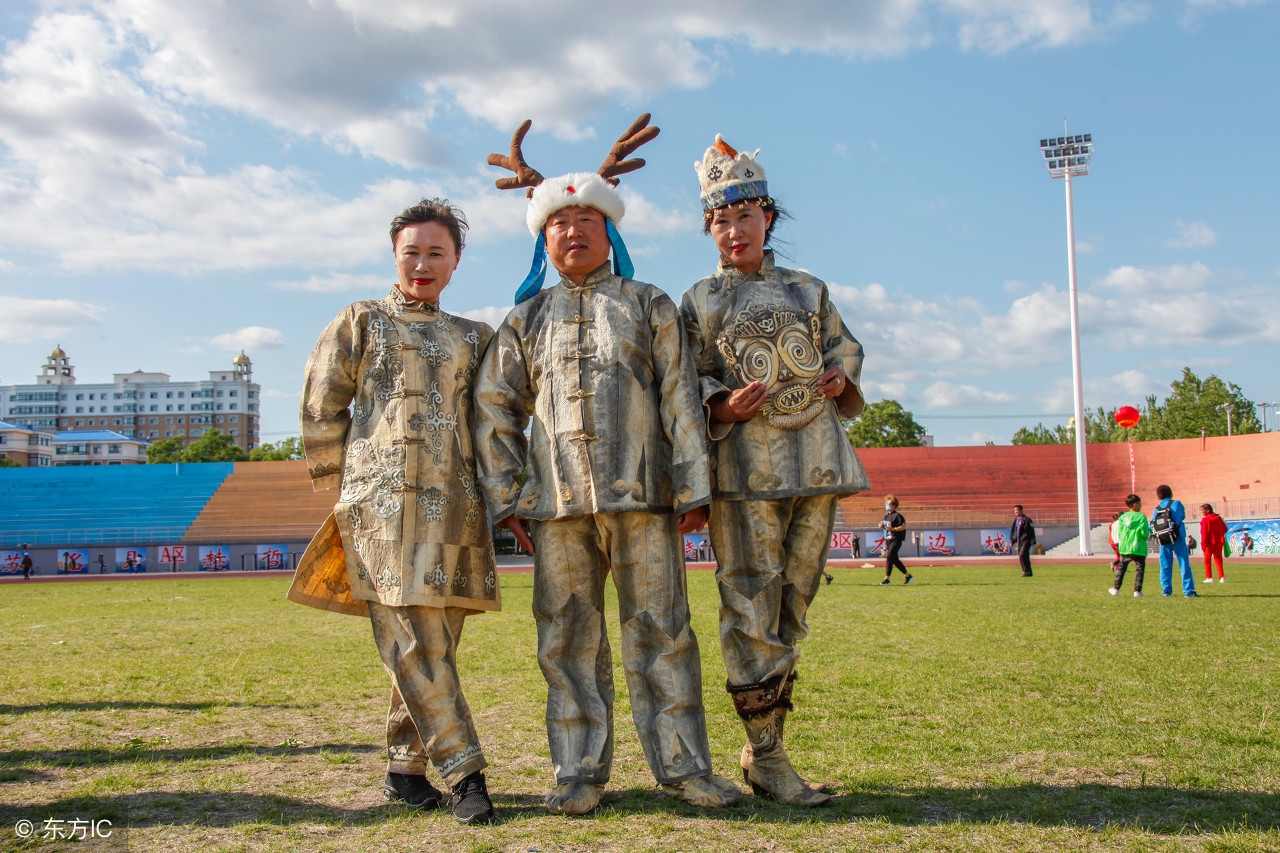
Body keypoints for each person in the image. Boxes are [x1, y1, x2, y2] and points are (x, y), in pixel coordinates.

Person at [474, 116, 743, 816]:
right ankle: (578, 771)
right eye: (559, 223)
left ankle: (685, 768)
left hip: (646, 499)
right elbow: (495, 410)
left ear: (609, 231)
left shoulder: (649, 304)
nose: (572, 232)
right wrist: (509, 498)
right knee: (566, 637)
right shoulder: (524, 321)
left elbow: (682, 398)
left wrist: (693, 485)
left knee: (663, 630)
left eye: (586, 219)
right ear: (543, 237)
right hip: (557, 508)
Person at [680, 134, 869, 806]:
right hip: (745, 477)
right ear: (709, 228)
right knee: (750, 606)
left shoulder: (809, 288)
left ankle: (766, 752)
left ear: (768, 219)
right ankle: (769, 755)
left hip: (815, 465)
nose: (733, 231)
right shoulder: (699, 299)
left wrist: (840, 373)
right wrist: (721, 403)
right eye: (719, 221)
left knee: (793, 605)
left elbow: (845, 348)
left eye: (744, 216)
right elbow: (684, 382)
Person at [296, 198, 498, 825]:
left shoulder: (475, 336)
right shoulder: (361, 321)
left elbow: (494, 420)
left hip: (455, 512)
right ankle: (466, 773)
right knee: (413, 642)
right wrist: (341, 487)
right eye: (411, 251)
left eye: (437, 252)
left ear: (456, 261)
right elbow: (321, 403)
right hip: (379, 512)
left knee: (433, 643)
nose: (422, 263)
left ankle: (405, 771)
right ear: (394, 254)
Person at [1151, 484, 1197, 598]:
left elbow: (1151, 524)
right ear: (1171, 494)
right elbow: (1181, 517)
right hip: (1177, 538)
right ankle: (1188, 590)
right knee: (1184, 564)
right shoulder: (1176, 503)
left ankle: (1166, 590)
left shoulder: (1157, 509)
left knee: (1165, 565)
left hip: (1163, 539)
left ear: (1158, 496)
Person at [1110, 494, 1149, 597]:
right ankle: (1137, 591)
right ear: (1135, 504)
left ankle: (1116, 589)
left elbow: (1120, 532)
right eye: (1140, 503)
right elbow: (1145, 533)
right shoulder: (1142, 517)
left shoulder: (1122, 517)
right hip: (1139, 547)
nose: (1141, 506)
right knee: (1140, 569)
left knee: (1121, 569)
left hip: (1126, 547)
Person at [880, 496, 912, 585]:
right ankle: (908, 575)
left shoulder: (898, 516)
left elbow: (903, 526)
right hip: (889, 539)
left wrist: (894, 529)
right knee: (894, 559)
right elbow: (886, 526)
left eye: (889, 504)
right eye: (886, 503)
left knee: (889, 556)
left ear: (894, 505)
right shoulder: (887, 516)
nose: (887, 505)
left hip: (896, 539)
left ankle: (887, 579)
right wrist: (881, 525)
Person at [1200, 503, 1228, 583]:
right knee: (1218, 560)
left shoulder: (1205, 520)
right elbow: (1225, 529)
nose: (1202, 512)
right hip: (1218, 542)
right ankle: (1222, 577)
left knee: (1207, 561)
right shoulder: (1218, 518)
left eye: (1202, 510)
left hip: (1209, 543)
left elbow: (1204, 533)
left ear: (1207, 510)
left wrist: (1203, 544)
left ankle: (1209, 577)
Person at [1010, 505, 1037, 577]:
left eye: (1017, 510)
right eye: (1015, 510)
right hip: (1019, 541)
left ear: (1021, 510)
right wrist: (1012, 540)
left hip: (1026, 540)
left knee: (1022, 555)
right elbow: (1013, 531)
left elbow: (1031, 531)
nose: (1015, 512)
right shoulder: (1016, 520)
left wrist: (1033, 541)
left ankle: (1026, 571)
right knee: (1023, 556)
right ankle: (1027, 571)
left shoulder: (1027, 520)